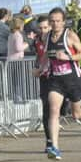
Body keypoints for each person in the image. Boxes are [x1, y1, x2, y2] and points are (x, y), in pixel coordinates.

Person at [43, 7, 81, 160]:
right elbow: (46, 56)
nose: (54, 24)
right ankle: (54, 147)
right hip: (56, 81)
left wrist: (68, 57)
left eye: (58, 21)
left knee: (76, 114)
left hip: (73, 80)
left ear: (63, 22)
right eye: (52, 21)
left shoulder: (70, 36)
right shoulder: (47, 37)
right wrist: (40, 67)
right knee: (54, 111)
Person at [32, 15, 53, 152]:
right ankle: (49, 141)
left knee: (59, 109)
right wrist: (36, 67)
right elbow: (38, 57)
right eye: (40, 28)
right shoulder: (37, 41)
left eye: (45, 27)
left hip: (58, 77)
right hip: (44, 77)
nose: (43, 31)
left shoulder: (56, 39)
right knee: (46, 109)